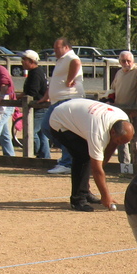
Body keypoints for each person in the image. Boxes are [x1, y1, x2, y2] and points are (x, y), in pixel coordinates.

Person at [48, 98, 134, 211]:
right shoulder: (98, 132)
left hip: (76, 113)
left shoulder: (123, 118)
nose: (120, 144)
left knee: (89, 158)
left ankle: (85, 191)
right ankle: (78, 200)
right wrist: (105, 196)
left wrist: (101, 165)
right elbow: (96, 169)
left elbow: (113, 145)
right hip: (60, 121)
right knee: (82, 157)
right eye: (119, 141)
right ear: (113, 132)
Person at [39, 37, 84, 173]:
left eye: (57, 48)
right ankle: (71, 153)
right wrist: (46, 96)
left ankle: (67, 162)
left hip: (67, 99)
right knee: (48, 128)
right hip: (58, 100)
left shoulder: (71, 57)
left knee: (58, 129)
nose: (55, 51)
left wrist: (70, 79)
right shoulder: (61, 60)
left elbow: (76, 63)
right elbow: (55, 80)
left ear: (66, 47)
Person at [106, 50, 137, 165]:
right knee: (120, 137)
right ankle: (124, 164)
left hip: (133, 110)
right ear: (120, 62)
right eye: (123, 61)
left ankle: (136, 164)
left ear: (133, 61)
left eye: (128, 61)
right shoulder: (119, 73)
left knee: (135, 138)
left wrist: (136, 108)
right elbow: (113, 89)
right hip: (119, 111)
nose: (126, 63)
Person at [17, 50, 48, 157]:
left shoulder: (35, 74)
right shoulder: (36, 72)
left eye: (24, 59)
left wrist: (23, 96)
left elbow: (32, 92)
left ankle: (35, 151)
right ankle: (45, 157)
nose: (22, 62)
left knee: (30, 131)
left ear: (31, 61)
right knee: (42, 134)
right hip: (41, 107)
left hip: (39, 107)